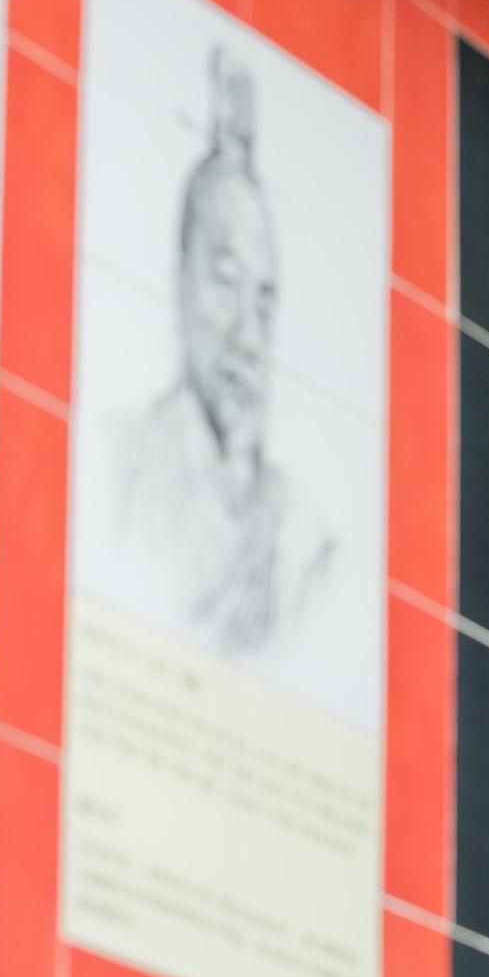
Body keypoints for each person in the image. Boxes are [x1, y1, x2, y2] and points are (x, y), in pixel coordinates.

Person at [117, 47, 333, 654]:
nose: (248, 332)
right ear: (181, 283)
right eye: (226, 282)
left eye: (265, 303)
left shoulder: (302, 539)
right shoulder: (124, 468)